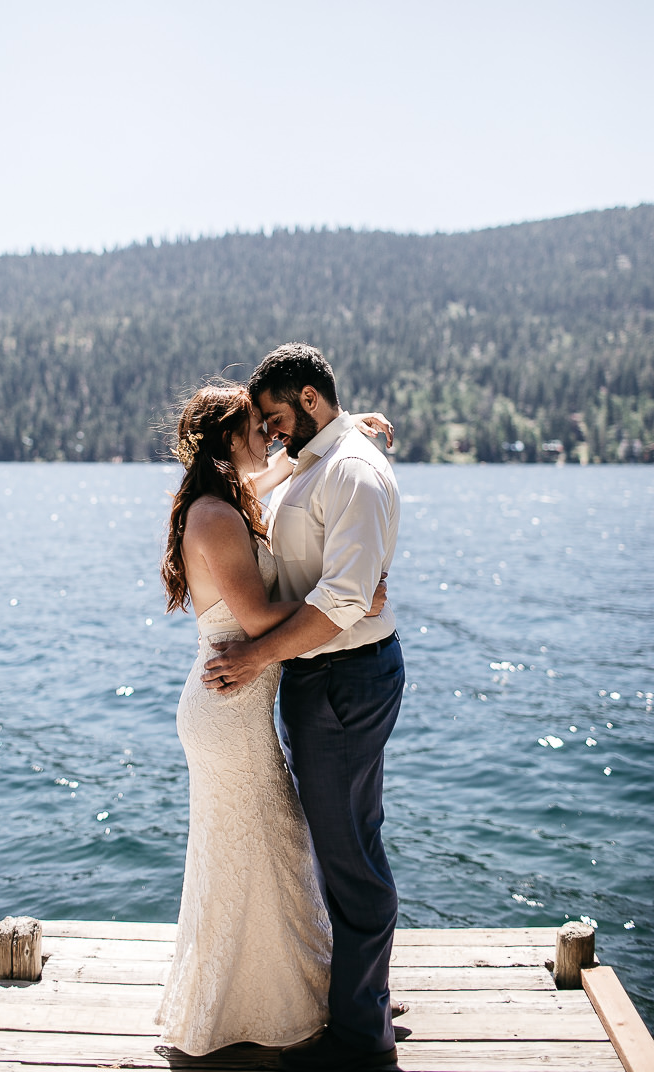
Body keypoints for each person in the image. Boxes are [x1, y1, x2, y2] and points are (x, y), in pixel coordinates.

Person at [155, 381, 393, 1057]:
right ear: (230, 440)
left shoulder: (229, 499)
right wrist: (348, 602)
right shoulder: (217, 517)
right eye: (260, 428)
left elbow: (284, 466)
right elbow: (259, 623)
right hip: (229, 709)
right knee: (249, 853)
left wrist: (344, 431)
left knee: (271, 849)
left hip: (238, 703)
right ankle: (247, 1005)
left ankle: (294, 989)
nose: (272, 437)